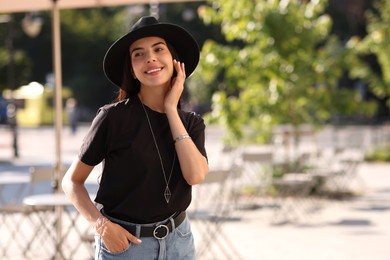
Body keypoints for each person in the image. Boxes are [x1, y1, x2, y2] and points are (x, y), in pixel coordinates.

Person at [62, 16, 209, 260]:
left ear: (175, 62)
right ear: (131, 68)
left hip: (179, 243)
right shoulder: (113, 118)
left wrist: (171, 110)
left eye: (158, 49)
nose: (150, 57)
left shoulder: (192, 123)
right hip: (126, 247)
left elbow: (195, 175)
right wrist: (101, 226)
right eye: (138, 54)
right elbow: (72, 182)